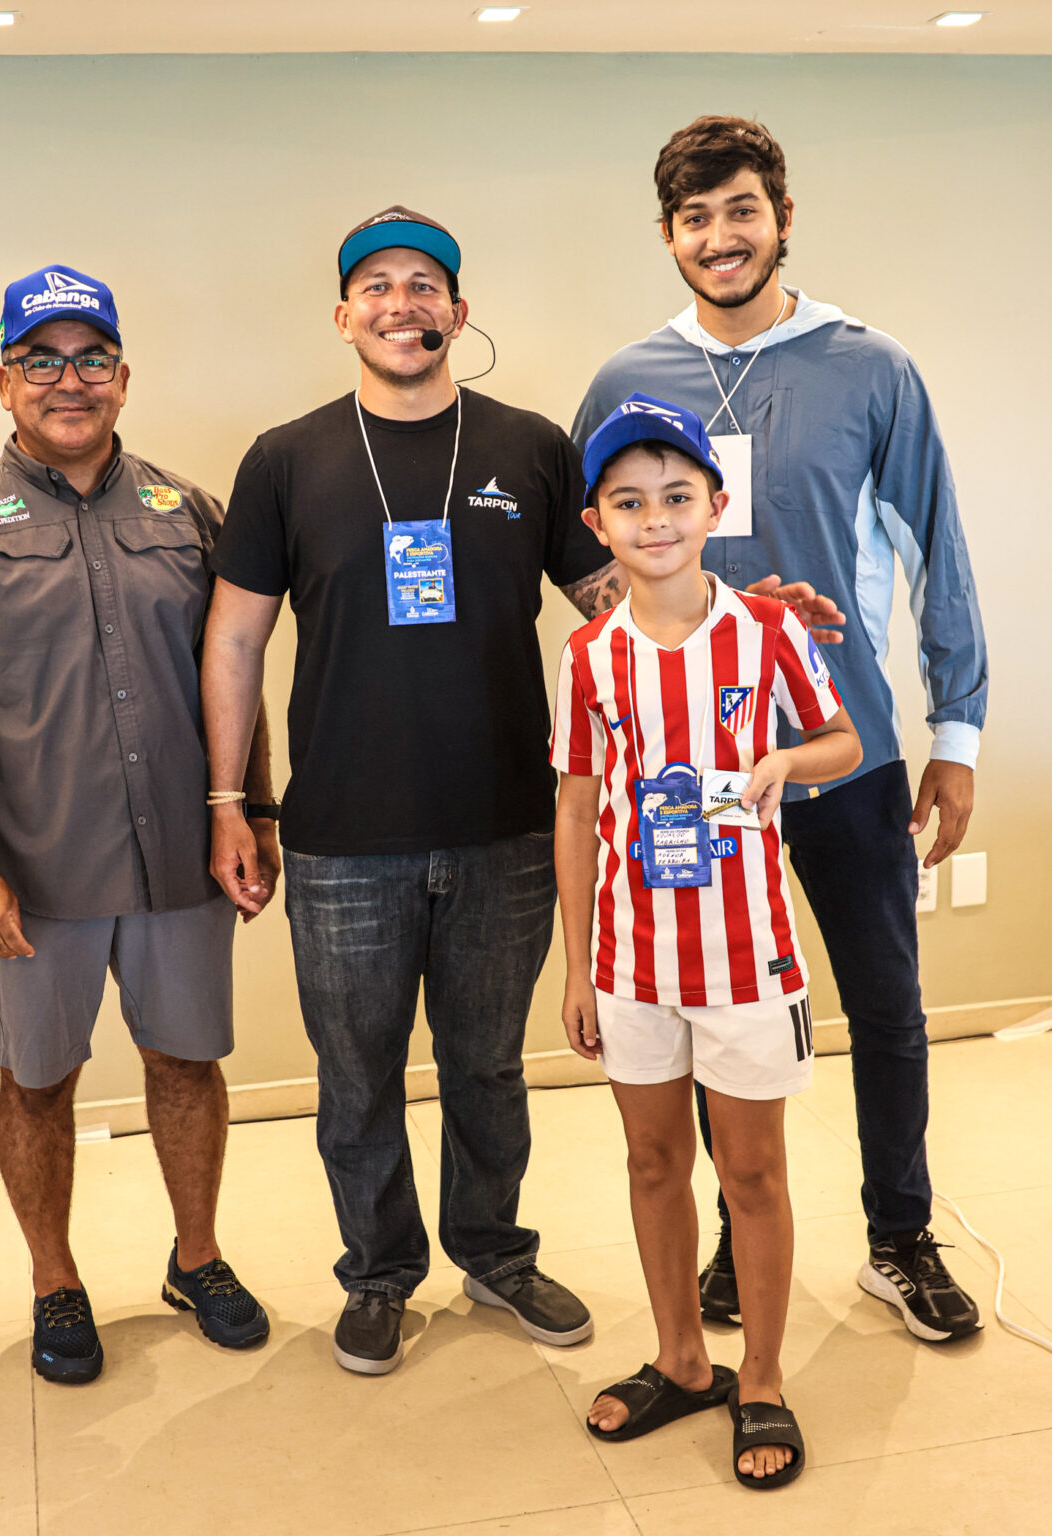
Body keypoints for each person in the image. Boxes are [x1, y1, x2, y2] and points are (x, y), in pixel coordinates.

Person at [572, 116, 987, 1343]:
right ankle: (732, 1233)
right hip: (692, 783)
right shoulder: (625, 379)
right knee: (710, 1011)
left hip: (842, 753)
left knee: (885, 1004)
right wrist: (683, 638)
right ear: (667, 236)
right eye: (694, 218)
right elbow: (593, 564)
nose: (720, 237)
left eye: (740, 210)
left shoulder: (870, 367)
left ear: (781, 217)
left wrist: (956, 735)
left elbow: (935, 550)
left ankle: (898, 1236)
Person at [201, 206, 621, 1375]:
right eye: (376, 286)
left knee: (487, 1066)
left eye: (424, 283)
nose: (402, 303)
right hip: (343, 840)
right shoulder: (286, 460)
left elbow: (614, 603)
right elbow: (232, 641)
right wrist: (228, 803)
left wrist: (732, 619)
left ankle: (492, 1252)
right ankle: (379, 1274)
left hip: (506, 828)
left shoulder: (530, 448)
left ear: (457, 310)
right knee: (357, 1078)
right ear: (343, 317)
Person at [0, 264, 278, 1384]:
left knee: (187, 1062)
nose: (71, 380)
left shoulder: (192, 515)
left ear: (123, 376)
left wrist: (253, 810)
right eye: (43, 360)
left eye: (92, 357)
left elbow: (237, 673)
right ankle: (55, 1278)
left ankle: (196, 1258)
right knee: (37, 1081)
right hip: (35, 872)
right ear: (4, 381)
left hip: (181, 859)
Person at [553, 393, 862, 1486]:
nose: (655, 520)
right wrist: (578, 965)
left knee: (751, 1170)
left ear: (713, 507)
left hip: (746, 955)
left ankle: (761, 1378)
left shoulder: (767, 631)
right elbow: (577, 807)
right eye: (629, 502)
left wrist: (785, 763)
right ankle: (682, 1362)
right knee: (651, 1161)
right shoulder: (588, 655)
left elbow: (841, 739)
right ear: (596, 523)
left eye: (675, 497)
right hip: (632, 960)